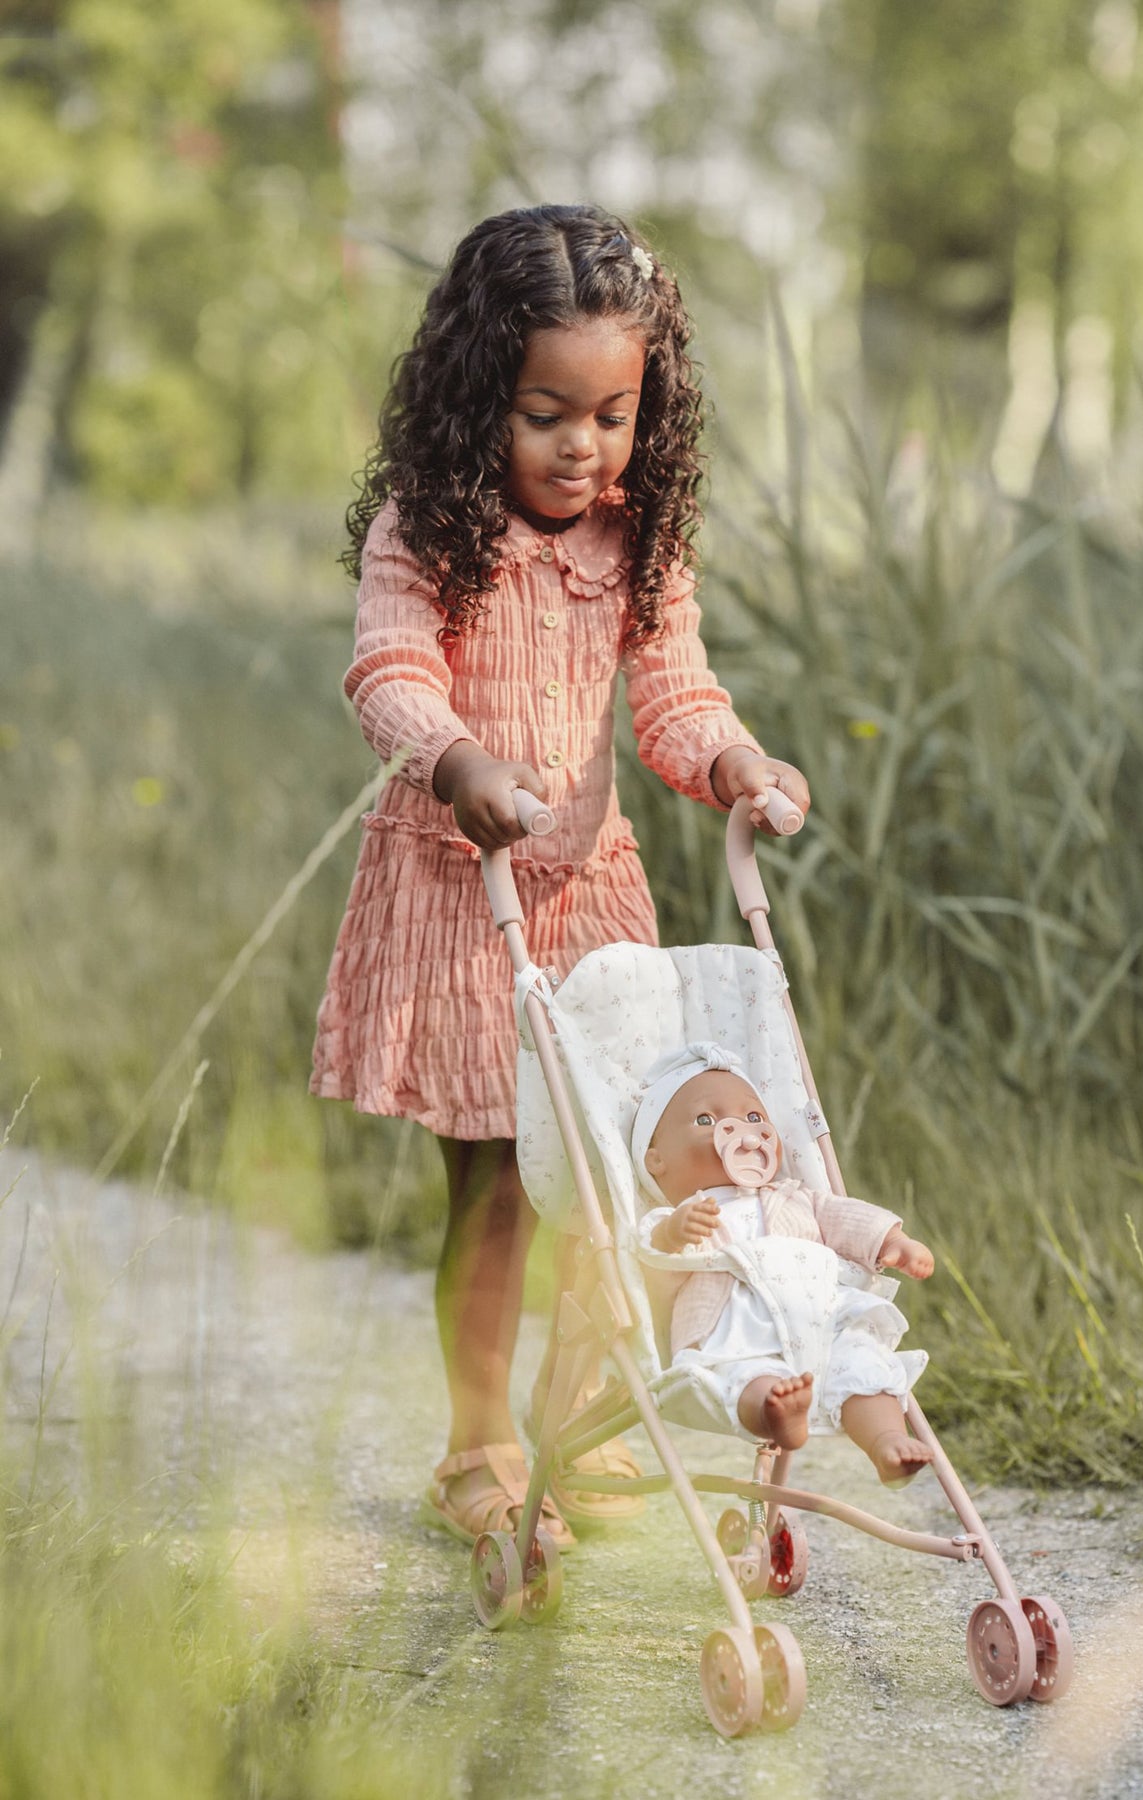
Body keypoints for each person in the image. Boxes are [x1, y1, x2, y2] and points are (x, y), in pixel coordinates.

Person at [311, 205, 811, 1548]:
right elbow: (390, 668)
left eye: (612, 414)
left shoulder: (635, 540)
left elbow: (673, 696)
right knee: (491, 1188)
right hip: (462, 899)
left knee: (617, 1182)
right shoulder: (428, 528)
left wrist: (737, 764)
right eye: (547, 413)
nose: (583, 446)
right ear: (482, 395)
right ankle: (478, 1440)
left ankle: (576, 1419)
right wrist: (455, 758)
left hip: (590, 905)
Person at [632, 1043, 933, 1483]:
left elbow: (841, 1216)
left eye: (754, 1118)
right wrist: (674, 1233)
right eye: (706, 1121)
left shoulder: (792, 1196)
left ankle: (886, 1440)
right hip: (735, 1330)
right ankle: (774, 1412)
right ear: (656, 1160)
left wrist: (893, 1239)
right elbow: (653, 1268)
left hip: (821, 1319)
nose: (741, 1133)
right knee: (743, 1378)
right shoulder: (679, 1214)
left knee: (861, 1361)